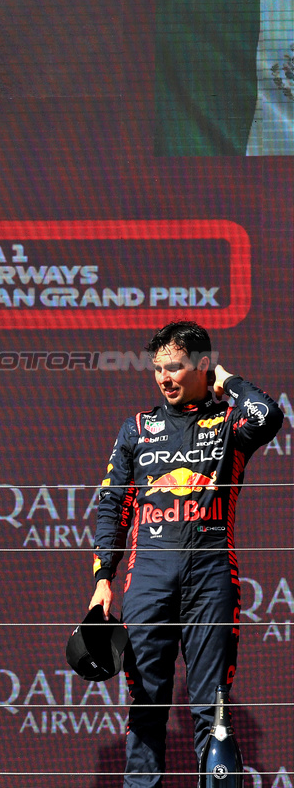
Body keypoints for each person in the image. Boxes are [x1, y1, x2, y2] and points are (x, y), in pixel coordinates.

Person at [88, 321, 283, 786]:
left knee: (211, 709)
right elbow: (112, 504)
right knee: (146, 706)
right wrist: (103, 578)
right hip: (147, 576)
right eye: (158, 369)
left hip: (211, 572)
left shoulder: (230, 422)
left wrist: (228, 383)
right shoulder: (137, 428)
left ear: (202, 367)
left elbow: (268, 416)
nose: (164, 378)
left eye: (174, 367)